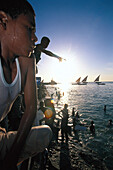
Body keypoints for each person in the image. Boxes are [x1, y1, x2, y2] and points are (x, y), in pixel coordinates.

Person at [0, 1, 52, 170]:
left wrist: (11, 158)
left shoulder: (28, 61)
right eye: (30, 29)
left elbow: (31, 109)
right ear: (3, 21)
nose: (35, 38)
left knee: (46, 133)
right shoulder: (34, 50)